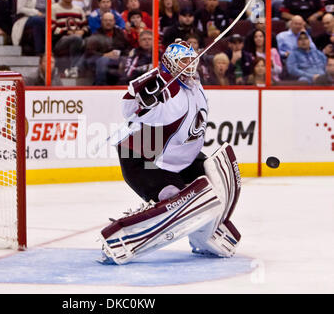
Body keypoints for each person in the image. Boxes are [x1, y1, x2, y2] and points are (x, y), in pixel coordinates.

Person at [98, 39, 242, 265]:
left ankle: (204, 236)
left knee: (218, 180)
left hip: (181, 158)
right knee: (174, 198)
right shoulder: (166, 89)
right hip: (144, 158)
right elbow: (130, 108)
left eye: (191, 59)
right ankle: (127, 233)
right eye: (184, 61)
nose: (190, 65)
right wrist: (145, 102)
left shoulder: (195, 86)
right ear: (171, 64)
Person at [81, 11, 130, 85]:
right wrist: (104, 54)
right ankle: (100, 85)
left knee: (126, 60)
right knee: (103, 60)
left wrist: (122, 57)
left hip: (118, 59)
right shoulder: (96, 35)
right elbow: (89, 52)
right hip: (99, 59)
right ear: (101, 22)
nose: (108, 22)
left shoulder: (120, 33)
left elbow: (127, 48)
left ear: (114, 22)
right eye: (106, 20)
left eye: (110, 20)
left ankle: (123, 84)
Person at [52, 0, 89, 77]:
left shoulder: (78, 9)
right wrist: (66, 32)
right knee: (76, 38)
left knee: (90, 42)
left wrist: (82, 31)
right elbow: (51, 27)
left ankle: (75, 68)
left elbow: (86, 25)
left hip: (78, 38)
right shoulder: (53, 8)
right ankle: (74, 68)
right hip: (59, 40)